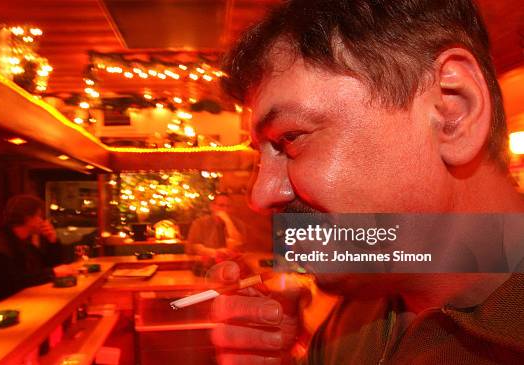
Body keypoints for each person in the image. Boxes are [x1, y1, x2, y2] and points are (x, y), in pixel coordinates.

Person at [209, 0, 524, 364]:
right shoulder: (359, 312)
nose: (260, 196)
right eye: (259, 157)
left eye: (291, 138)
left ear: (452, 112)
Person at [0, 195, 74, 309]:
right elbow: (14, 284)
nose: (42, 221)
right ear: (28, 219)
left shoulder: (24, 244)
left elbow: (49, 265)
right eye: (39, 216)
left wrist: (52, 240)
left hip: (21, 306)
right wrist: (52, 272)